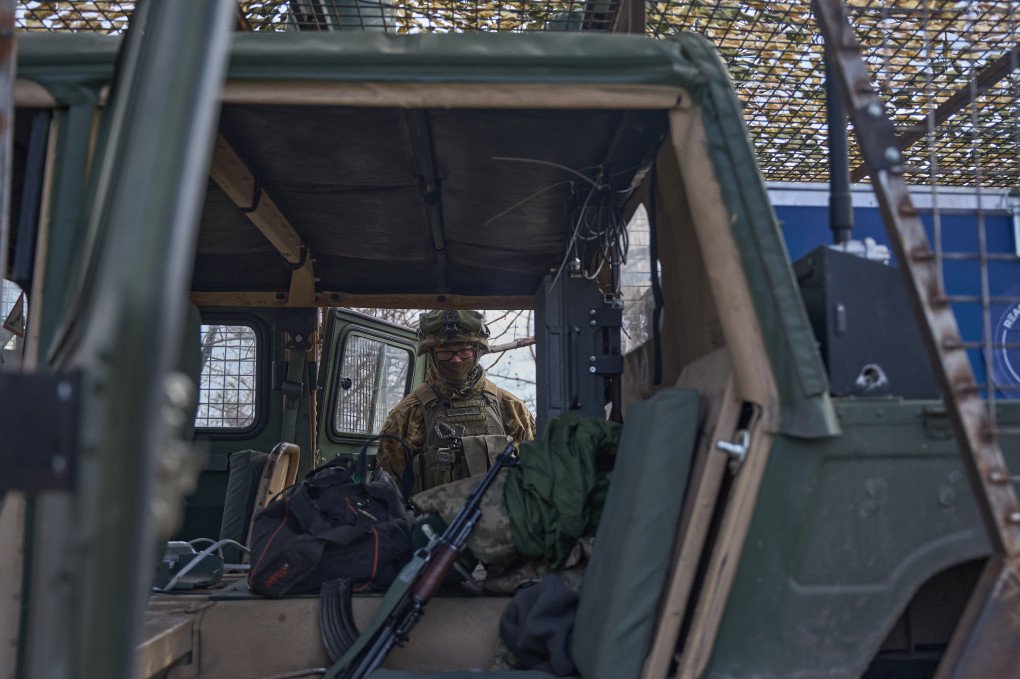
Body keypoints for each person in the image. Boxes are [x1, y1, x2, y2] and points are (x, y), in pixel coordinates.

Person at [378, 309, 535, 495]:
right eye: (445, 352)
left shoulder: (511, 408)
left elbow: (535, 477)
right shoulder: (407, 414)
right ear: (432, 354)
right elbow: (389, 490)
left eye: (464, 351)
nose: (455, 359)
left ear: (477, 352)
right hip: (431, 514)